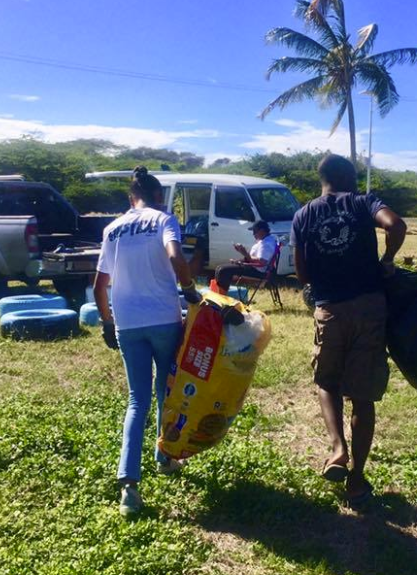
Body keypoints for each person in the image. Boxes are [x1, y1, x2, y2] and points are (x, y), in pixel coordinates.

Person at [290, 154, 407, 510]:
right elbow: (396, 225)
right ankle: (357, 481)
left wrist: (323, 280)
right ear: (350, 178)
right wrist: (386, 261)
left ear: (321, 178)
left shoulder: (304, 215)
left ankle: (337, 449)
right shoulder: (363, 203)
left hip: (330, 309)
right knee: (363, 396)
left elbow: (301, 272)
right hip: (371, 306)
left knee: (327, 382)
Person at [93, 166, 200, 517]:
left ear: (130, 198)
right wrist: (188, 291)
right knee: (165, 392)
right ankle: (164, 457)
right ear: (157, 196)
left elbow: (99, 285)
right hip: (164, 319)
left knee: (136, 399)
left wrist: (108, 324)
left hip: (127, 323)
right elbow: (175, 257)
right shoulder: (163, 220)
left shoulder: (112, 229)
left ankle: (129, 486)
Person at [213, 220, 278, 293]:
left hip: (259, 272)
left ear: (262, 231)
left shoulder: (267, 244)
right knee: (219, 268)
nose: (253, 234)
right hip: (254, 267)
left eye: (255, 231)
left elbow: (262, 262)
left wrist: (244, 253)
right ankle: (219, 296)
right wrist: (239, 260)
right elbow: (253, 259)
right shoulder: (264, 240)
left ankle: (222, 298)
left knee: (223, 271)